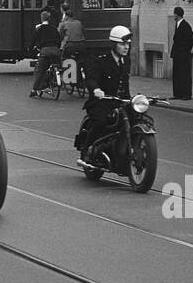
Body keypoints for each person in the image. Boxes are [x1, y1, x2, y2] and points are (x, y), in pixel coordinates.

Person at [75, 26, 132, 166]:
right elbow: (91, 78)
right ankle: (88, 152)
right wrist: (96, 90)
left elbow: (124, 83)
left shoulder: (126, 61)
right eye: (122, 44)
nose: (126, 47)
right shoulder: (101, 60)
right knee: (100, 122)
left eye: (128, 44)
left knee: (138, 117)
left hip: (119, 102)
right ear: (114, 44)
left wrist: (131, 99)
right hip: (102, 101)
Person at [28, 9, 62, 96]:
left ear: (41, 19)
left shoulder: (39, 29)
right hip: (56, 51)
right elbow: (59, 41)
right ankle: (54, 80)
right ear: (49, 19)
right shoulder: (54, 29)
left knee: (39, 70)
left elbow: (32, 41)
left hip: (45, 51)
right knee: (56, 65)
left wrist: (30, 49)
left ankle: (34, 90)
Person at [170, 5, 193, 100]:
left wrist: (185, 50)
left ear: (177, 15)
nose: (173, 16)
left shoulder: (185, 25)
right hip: (177, 54)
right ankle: (178, 94)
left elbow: (192, 40)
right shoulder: (177, 25)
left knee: (184, 74)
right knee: (177, 74)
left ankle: (186, 94)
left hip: (183, 55)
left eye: (174, 14)